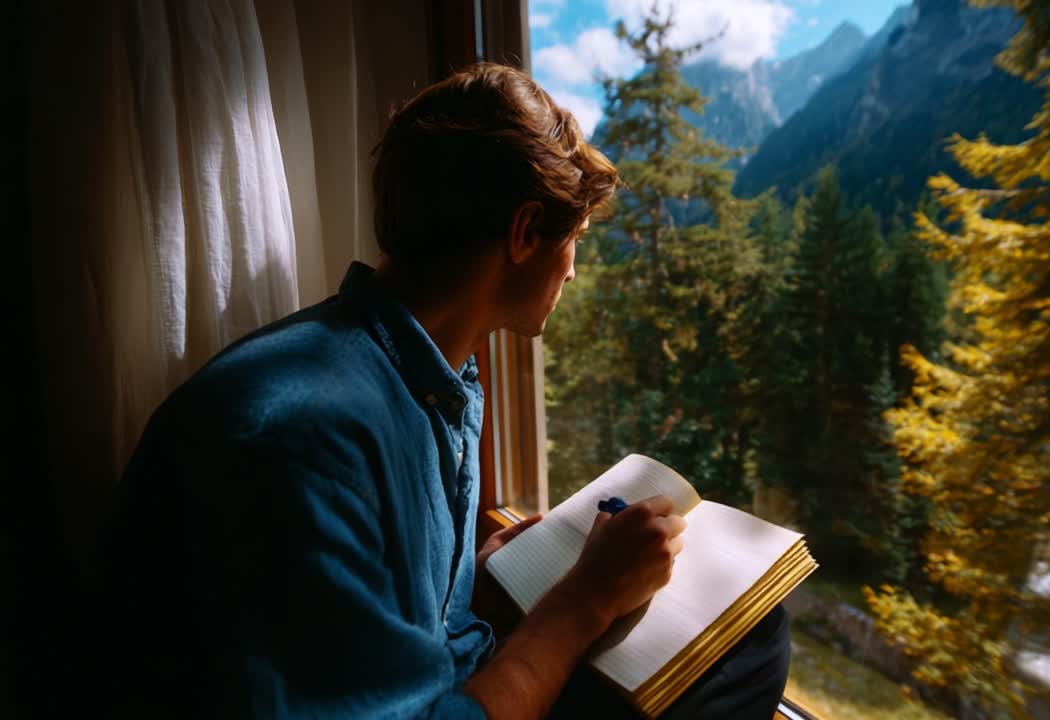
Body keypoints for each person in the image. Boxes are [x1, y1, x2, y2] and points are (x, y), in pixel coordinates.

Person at [104, 62, 789, 719]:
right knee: (750, 648)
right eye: (574, 237)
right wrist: (584, 599)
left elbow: (373, 608)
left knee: (752, 629)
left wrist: (476, 584)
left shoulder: (419, 376)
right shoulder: (300, 447)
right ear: (525, 232)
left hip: (440, 669)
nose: (574, 272)